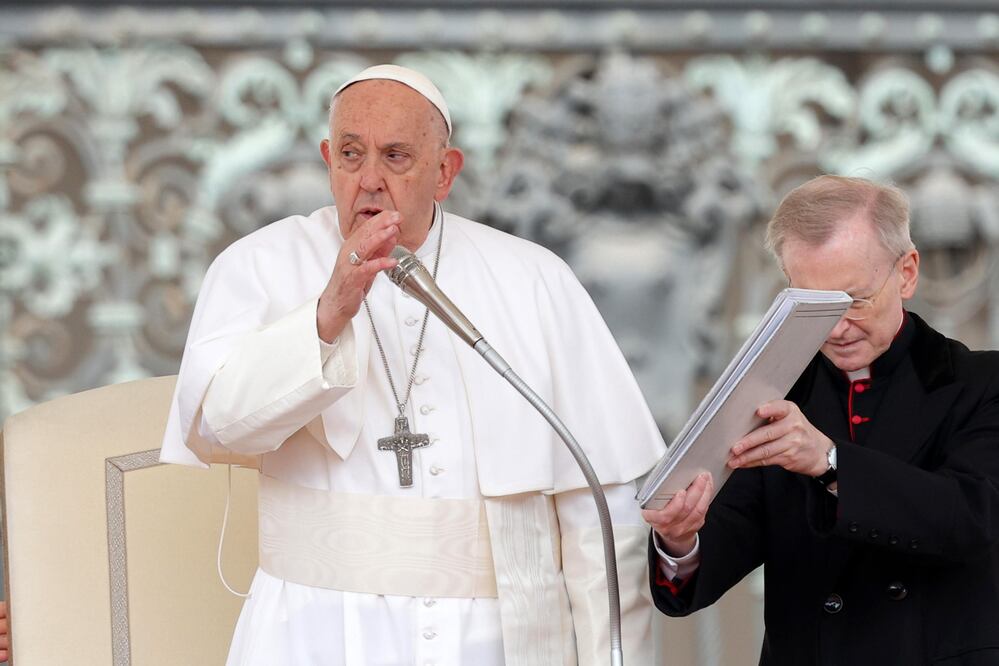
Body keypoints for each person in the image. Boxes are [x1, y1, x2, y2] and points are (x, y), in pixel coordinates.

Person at [159, 64, 666, 666]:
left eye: (396, 156)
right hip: (313, 633)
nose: (369, 179)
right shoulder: (257, 266)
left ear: (445, 172)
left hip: (499, 641)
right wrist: (326, 318)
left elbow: (598, 513)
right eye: (351, 154)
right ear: (328, 159)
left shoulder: (534, 280)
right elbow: (213, 429)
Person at [643, 175, 999, 665]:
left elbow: (972, 520)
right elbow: (708, 566)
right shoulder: (773, 393)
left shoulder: (982, 382)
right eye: (812, 304)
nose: (836, 327)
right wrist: (680, 541)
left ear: (908, 272)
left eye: (853, 300)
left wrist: (830, 462)